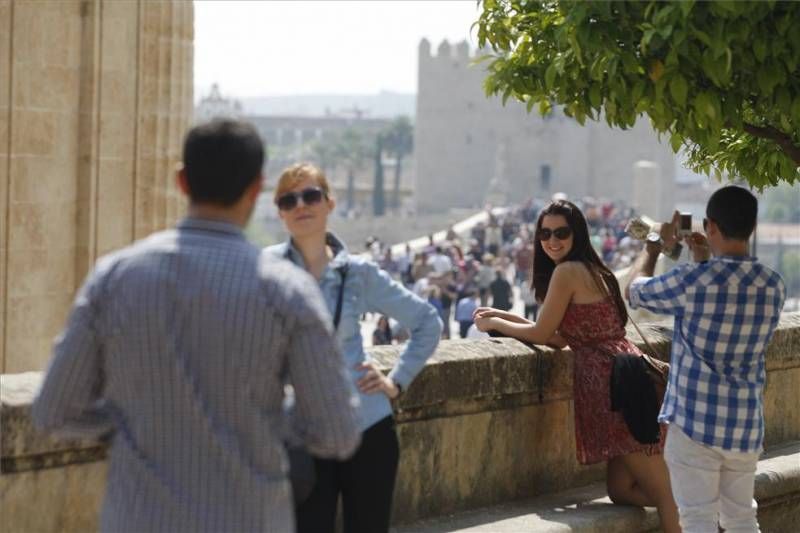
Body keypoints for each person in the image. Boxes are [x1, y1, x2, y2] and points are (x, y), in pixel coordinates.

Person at [31, 119, 361, 533]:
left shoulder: (113, 277)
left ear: (182, 182)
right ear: (256, 189)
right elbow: (337, 433)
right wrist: (268, 416)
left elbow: (53, 411)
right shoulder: (288, 292)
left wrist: (130, 418)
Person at [473, 200, 680, 533]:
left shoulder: (567, 272)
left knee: (665, 493)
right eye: (545, 233)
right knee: (621, 491)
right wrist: (504, 317)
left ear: (577, 234)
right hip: (620, 380)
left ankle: (692, 507)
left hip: (618, 389)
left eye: (561, 232)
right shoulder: (593, 268)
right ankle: (696, 503)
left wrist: (495, 326)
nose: (552, 240)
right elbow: (560, 337)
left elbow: (543, 334)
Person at [265, 163, 442, 533]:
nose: (301, 205)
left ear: (330, 203)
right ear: (279, 212)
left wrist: (397, 381)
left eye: (311, 195)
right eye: (289, 200)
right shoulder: (264, 269)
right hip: (302, 432)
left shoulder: (359, 273)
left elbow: (427, 321)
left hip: (368, 426)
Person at [625, 186, 786, 533]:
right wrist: (702, 260)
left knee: (697, 520)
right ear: (752, 227)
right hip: (744, 422)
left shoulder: (693, 282)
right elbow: (725, 302)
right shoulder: (773, 286)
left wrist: (652, 247)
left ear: (710, 226)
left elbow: (636, 291)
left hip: (694, 424)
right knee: (742, 518)